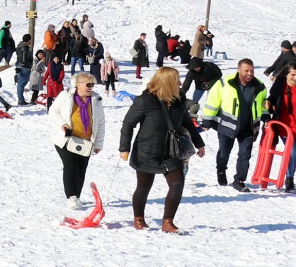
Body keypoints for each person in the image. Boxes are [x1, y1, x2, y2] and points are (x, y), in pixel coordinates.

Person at [118, 66, 206, 232]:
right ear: (168, 83)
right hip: (146, 150)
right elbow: (128, 124)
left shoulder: (179, 100)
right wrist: (124, 147)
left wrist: (199, 143)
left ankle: (168, 221)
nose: (180, 84)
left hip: (172, 151)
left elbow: (187, 123)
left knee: (178, 183)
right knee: (143, 187)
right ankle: (139, 218)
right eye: (177, 80)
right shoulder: (145, 100)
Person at [200, 60, 266, 190]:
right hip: (227, 126)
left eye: (252, 71)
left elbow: (263, 104)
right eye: (246, 70)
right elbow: (213, 101)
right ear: (239, 70)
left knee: (245, 154)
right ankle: (221, 170)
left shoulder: (260, 86)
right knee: (224, 153)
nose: (250, 73)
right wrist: (207, 120)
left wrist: (266, 114)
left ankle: (239, 180)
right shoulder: (225, 83)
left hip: (248, 127)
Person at [49, 72, 105, 210]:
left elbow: (101, 122)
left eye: (92, 84)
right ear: (77, 84)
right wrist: (63, 124)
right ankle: (71, 197)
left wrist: (98, 143)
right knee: (70, 166)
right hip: (66, 140)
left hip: (86, 141)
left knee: (81, 169)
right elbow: (53, 111)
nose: (91, 87)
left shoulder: (96, 100)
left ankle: (77, 196)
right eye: (88, 84)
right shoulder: (66, 96)